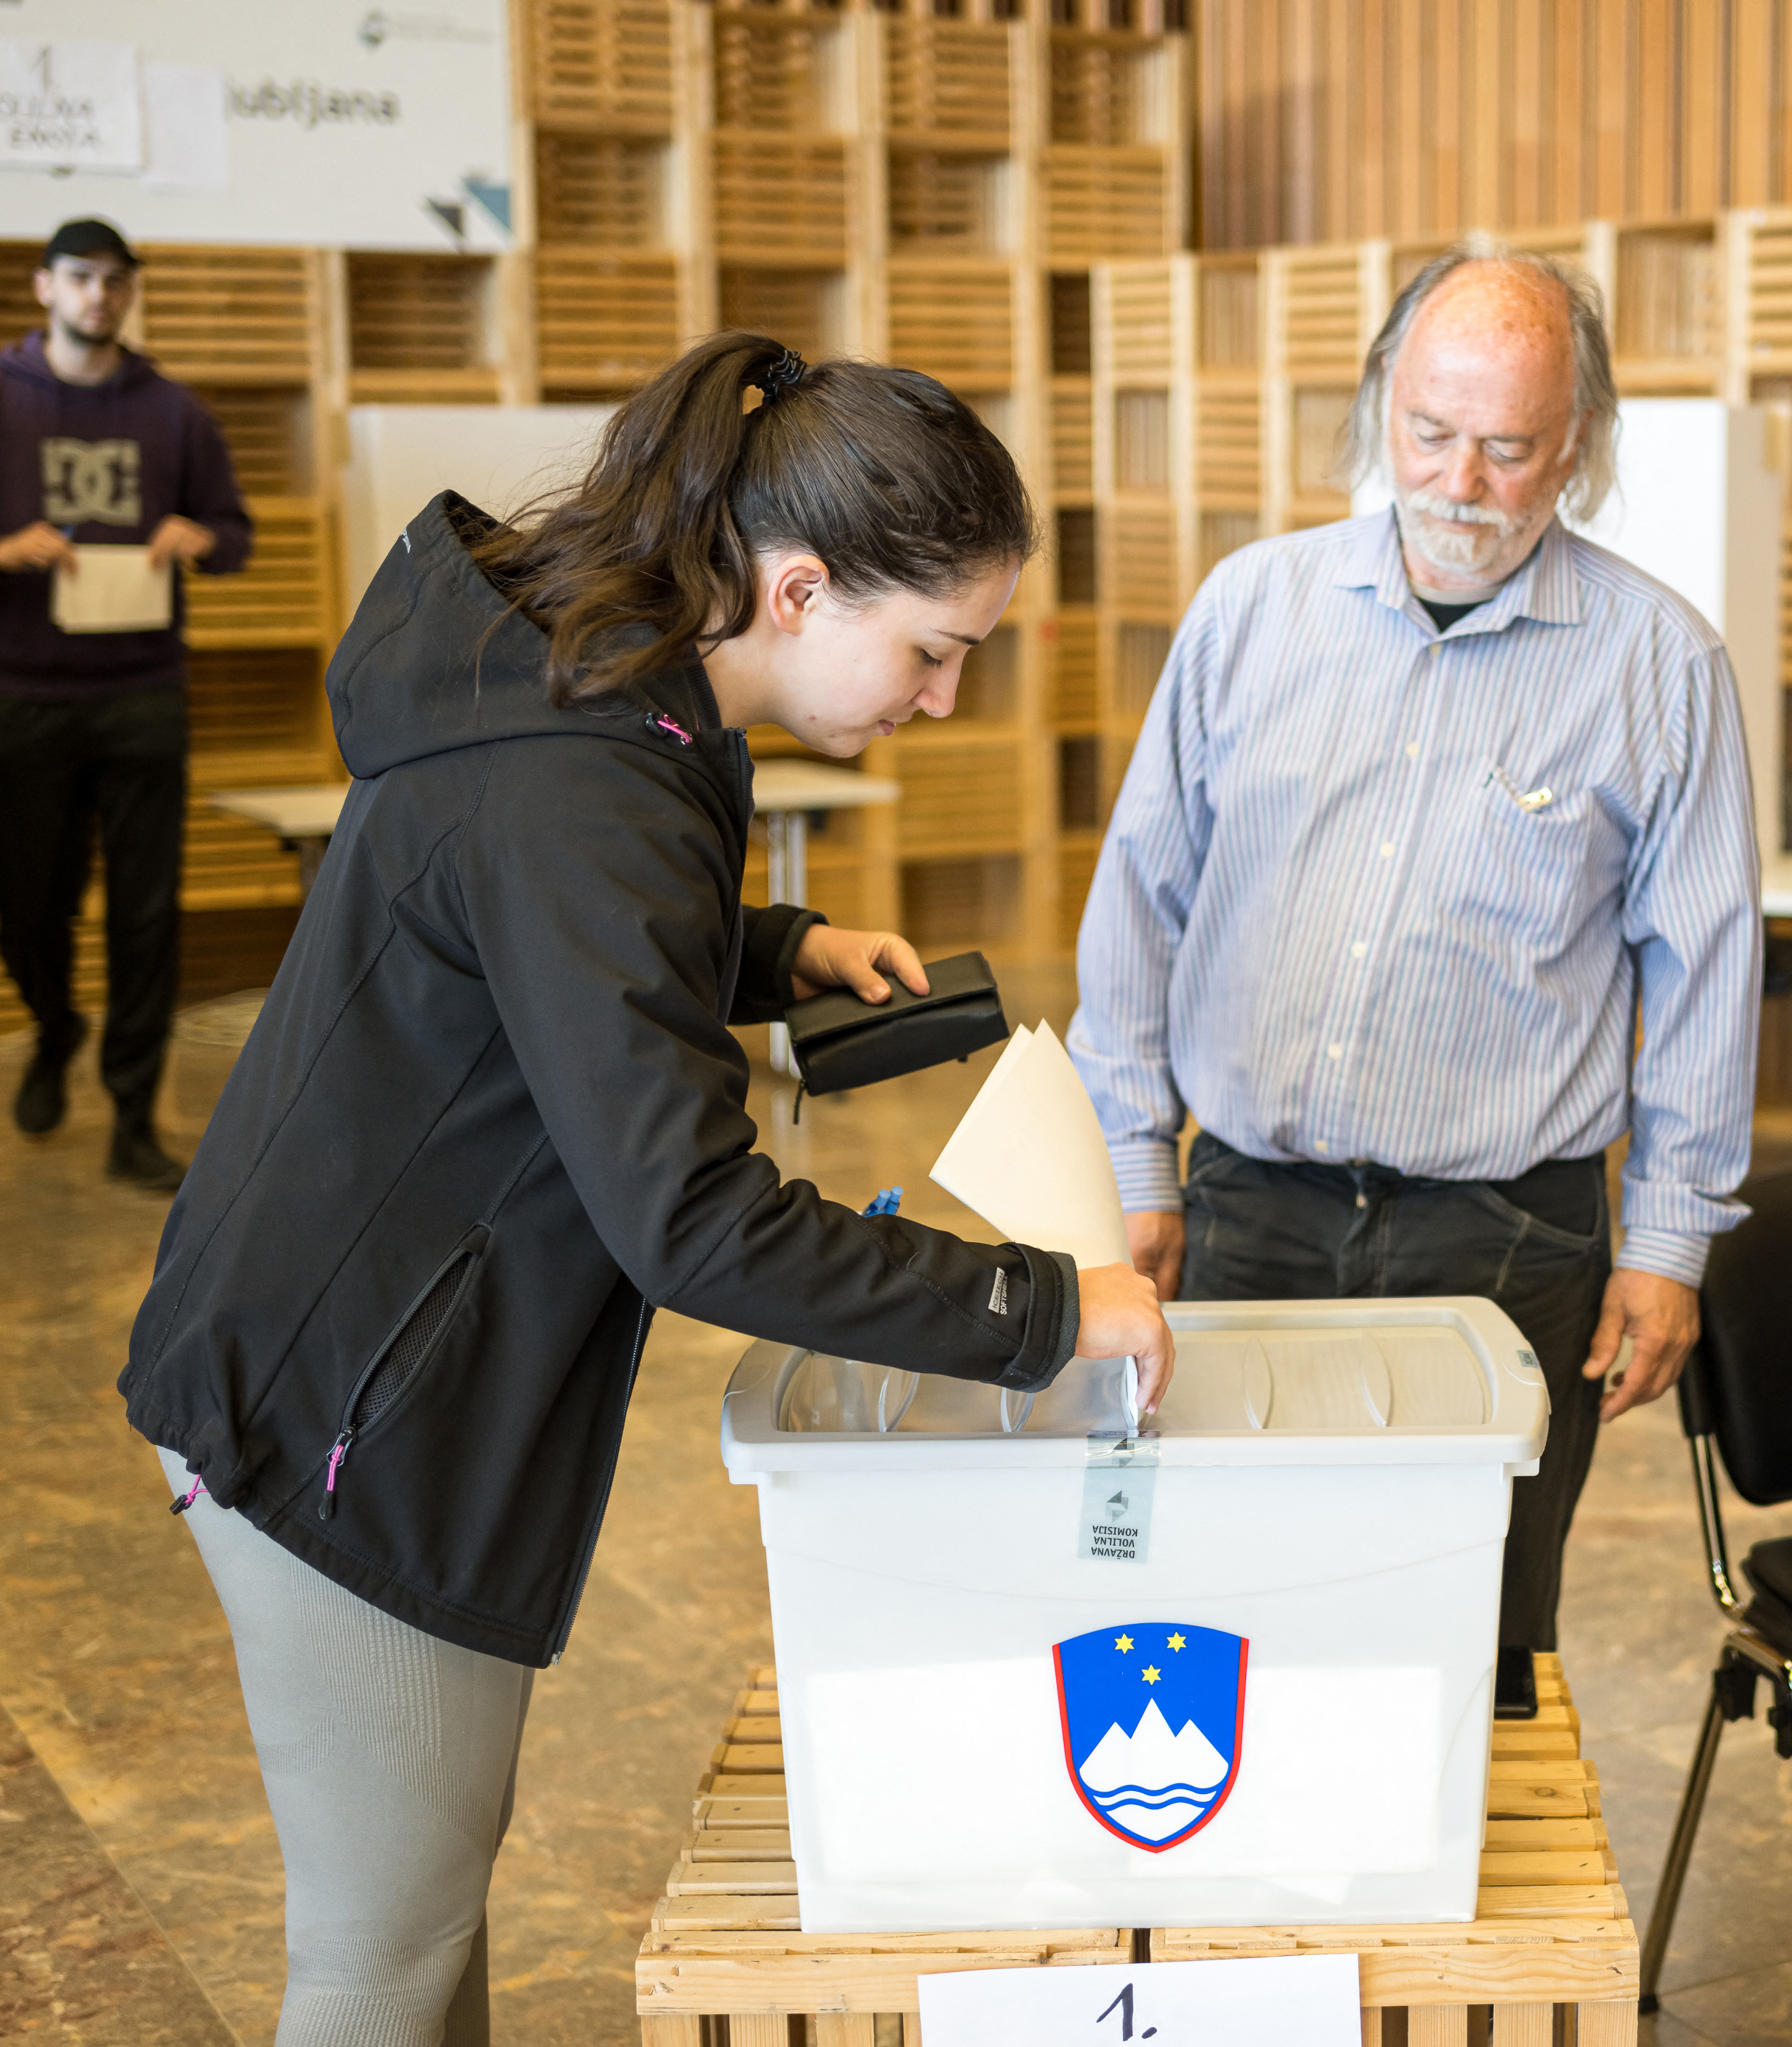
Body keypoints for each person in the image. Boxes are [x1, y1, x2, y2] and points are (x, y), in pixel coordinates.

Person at [117, 335, 1173, 2047]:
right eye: (933, 650)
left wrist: (776, 951)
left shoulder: (614, 689)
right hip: (342, 1410)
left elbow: (540, 951)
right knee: (381, 1953)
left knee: (427, 1901)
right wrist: (1045, 1309)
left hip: (341, 1340)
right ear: (804, 585)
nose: (941, 700)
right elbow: (689, 1214)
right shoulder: (588, 779)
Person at [1066, 236, 1760, 1653]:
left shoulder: (1658, 664)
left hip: (1508, 1236)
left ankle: (1450, 1878)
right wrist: (1133, 1155)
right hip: (1251, 1204)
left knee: (1473, 1625)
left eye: (1506, 449)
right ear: (1381, 398)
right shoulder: (1250, 610)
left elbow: (1705, 978)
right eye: (1429, 433)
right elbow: (1142, 894)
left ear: (1577, 445)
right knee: (1216, 1610)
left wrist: (1672, 1242)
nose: (1456, 485)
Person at [0, 216, 254, 1191]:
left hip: (143, 695)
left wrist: (200, 540)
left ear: (131, 294)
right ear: (45, 288)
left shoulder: (174, 412)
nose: (101, 295)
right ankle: (55, 1027)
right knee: (26, 905)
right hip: (29, 698)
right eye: (82, 278)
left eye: (118, 281)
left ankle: (135, 1112)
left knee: (146, 915)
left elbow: (234, 532)